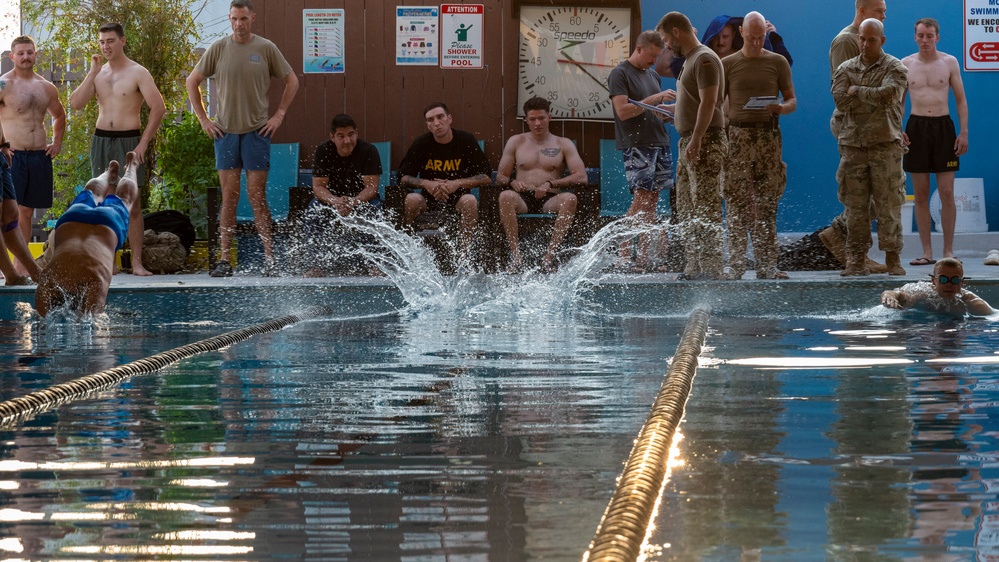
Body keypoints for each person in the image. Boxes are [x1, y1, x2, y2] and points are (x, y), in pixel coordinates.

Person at [186, 0, 300, 277]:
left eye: (244, 19)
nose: (239, 24)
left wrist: (279, 115)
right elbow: (192, 81)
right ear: (229, 18)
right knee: (230, 196)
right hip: (225, 132)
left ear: (253, 18)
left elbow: (292, 80)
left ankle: (270, 260)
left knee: (257, 195)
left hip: (256, 132)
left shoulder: (265, 48)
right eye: (235, 19)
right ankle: (225, 259)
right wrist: (203, 119)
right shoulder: (218, 48)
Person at [69, 22, 167, 277]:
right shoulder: (98, 74)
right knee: (103, 202)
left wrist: (143, 143)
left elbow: (159, 108)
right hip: (101, 140)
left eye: (110, 41)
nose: (106, 46)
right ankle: (107, 263)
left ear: (122, 41)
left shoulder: (138, 72)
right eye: (102, 42)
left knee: (132, 204)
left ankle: (136, 264)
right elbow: (76, 104)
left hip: (129, 140)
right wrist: (91, 72)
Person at [722, 12, 796, 280]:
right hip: (738, 136)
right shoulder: (728, 63)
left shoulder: (777, 62)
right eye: (751, 37)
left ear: (766, 34)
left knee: (767, 202)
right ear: (741, 32)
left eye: (760, 37)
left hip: (768, 135)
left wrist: (780, 108)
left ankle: (767, 264)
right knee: (736, 201)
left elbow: (792, 100)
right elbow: (719, 104)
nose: (755, 43)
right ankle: (736, 263)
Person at [832, 18, 907, 276]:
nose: (865, 44)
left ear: (882, 40)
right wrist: (865, 94)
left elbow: (889, 95)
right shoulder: (845, 68)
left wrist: (857, 90)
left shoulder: (895, 67)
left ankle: (893, 257)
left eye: (871, 39)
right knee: (855, 206)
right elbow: (841, 100)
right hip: (853, 146)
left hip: (885, 145)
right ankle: (855, 259)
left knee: (888, 204)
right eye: (862, 39)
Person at [821, 0, 891, 274]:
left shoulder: (869, 40)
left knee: (882, 189)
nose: (885, 14)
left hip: (873, 126)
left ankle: (844, 238)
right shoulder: (845, 42)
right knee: (861, 191)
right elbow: (844, 90)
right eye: (879, 10)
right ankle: (853, 252)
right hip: (854, 126)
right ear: (862, 9)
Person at [657, 13, 727, 281]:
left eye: (665, 40)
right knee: (686, 208)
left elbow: (710, 103)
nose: (666, 46)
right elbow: (694, 103)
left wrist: (697, 138)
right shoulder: (689, 61)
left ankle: (711, 269)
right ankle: (693, 267)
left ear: (676, 32)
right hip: (688, 141)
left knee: (706, 208)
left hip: (705, 141)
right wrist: (671, 111)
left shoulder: (705, 59)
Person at [35, 152, 139, 317]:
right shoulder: (49, 280)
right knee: (92, 193)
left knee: (125, 200)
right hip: (72, 220)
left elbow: (91, 326)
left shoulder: (94, 280)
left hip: (107, 226)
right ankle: (111, 171)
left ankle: (131, 166)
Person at [901, 18, 969, 266]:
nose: (925, 40)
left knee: (947, 192)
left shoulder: (949, 62)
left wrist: (963, 132)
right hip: (915, 128)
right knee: (920, 193)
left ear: (937, 37)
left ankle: (948, 251)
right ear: (915, 37)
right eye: (921, 35)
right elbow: (899, 102)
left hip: (943, 128)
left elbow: (961, 100)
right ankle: (926, 252)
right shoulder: (905, 64)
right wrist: (898, 129)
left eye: (929, 35)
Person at [495, 96, 587, 273]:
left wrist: (550, 183)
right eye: (533, 119)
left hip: (550, 198)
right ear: (527, 121)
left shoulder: (563, 143)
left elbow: (581, 177)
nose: (537, 123)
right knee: (505, 196)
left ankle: (549, 257)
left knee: (570, 198)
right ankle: (516, 258)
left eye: (541, 118)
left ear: (549, 117)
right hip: (522, 197)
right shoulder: (516, 141)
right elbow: (500, 177)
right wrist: (513, 182)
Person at [608, 31, 674, 272]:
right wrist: (657, 98)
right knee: (641, 198)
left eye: (658, 57)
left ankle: (644, 258)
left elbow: (651, 110)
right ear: (639, 48)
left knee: (652, 201)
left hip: (659, 140)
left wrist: (669, 113)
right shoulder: (620, 73)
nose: (654, 62)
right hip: (637, 144)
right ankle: (624, 255)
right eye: (652, 56)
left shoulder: (653, 74)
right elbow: (623, 111)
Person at [0, 36, 66, 264]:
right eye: (21, 53)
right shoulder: (3, 84)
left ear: (35, 55)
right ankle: (5, 266)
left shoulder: (45, 87)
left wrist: (57, 142)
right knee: (8, 214)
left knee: (26, 213)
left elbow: (59, 115)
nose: (25, 57)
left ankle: (20, 268)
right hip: (12, 156)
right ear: (12, 57)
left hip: (38, 157)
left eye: (29, 52)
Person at [397, 101, 491, 258]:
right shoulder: (421, 144)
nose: (436, 123)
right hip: (428, 199)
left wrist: (456, 183)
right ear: (427, 125)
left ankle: (463, 256)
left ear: (449, 118)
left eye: (440, 117)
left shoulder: (465, 140)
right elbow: (402, 177)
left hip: (458, 199)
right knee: (411, 199)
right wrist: (427, 184)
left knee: (470, 201)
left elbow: (486, 177)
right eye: (430, 120)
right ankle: (410, 253)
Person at [303, 114, 382, 276]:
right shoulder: (323, 151)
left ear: (356, 133)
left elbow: (372, 188)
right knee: (313, 211)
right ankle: (315, 265)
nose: (347, 140)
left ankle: (376, 263)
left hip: (362, 200)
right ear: (332, 137)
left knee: (376, 211)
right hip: (331, 201)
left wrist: (353, 202)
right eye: (341, 136)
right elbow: (318, 187)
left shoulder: (369, 151)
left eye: (351, 135)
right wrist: (336, 201)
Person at [656, 15, 793, 79]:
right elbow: (662, 70)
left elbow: (782, 65)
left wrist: (773, 37)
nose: (720, 41)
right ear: (711, 37)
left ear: (734, 34)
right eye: (716, 37)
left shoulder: (746, 55)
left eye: (725, 37)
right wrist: (674, 40)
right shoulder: (702, 59)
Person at [881, 257, 994, 316]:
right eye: (943, 279)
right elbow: (897, 293)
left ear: (962, 283)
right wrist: (888, 295)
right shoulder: (924, 292)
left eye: (955, 280)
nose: (949, 284)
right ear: (934, 281)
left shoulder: (973, 303)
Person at [0, 131, 41, 285]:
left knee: (10, 216)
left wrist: (4, 143)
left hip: (1, 155)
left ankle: (36, 272)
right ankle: (12, 276)